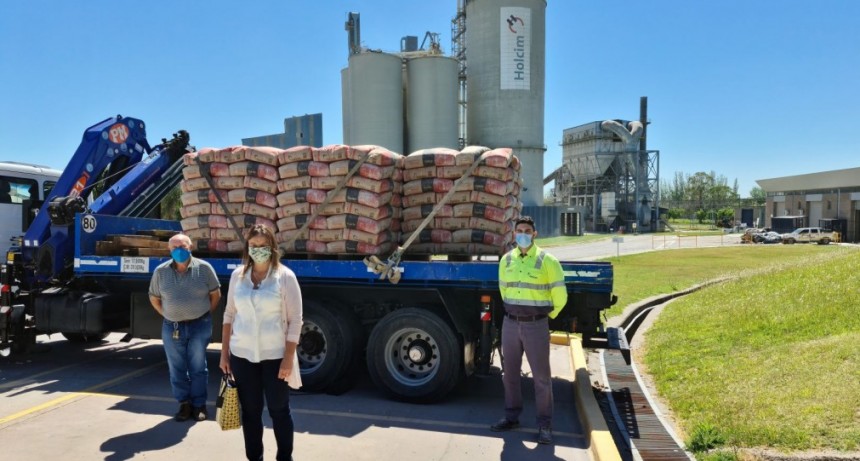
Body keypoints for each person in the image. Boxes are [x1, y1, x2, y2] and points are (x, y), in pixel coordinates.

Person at [220, 224, 303, 461]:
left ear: (272, 247)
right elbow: (229, 315)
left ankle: (284, 457)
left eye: (263, 245)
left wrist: (288, 358)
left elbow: (296, 321)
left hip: (275, 357)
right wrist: (224, 354)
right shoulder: (238, 276)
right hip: (242, 356)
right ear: (247, 247)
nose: (258, 249)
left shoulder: (285, 277)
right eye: (253, 245)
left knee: (279, 411)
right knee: (250, 412)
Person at [491, 216, 568, 445]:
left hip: (536, 325)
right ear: (513, 234)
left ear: (535, 234)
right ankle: (511, 417)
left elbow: (560, 296)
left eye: (527, 231)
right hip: (510, 324)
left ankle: (544, 425)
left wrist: (545, 317)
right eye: (519, 231)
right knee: (509, 375)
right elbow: (503, 290)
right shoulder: (506, 260)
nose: (523, 234)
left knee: (541, 378)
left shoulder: (548, 261)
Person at [149, 233, 221, 422]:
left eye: (182, 246)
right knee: (176, 368)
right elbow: (154, 298)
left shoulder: (204, 268)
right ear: (169, 250)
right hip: (171, 327)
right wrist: (167, 314)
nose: (179, 250)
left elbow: (216, 295)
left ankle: (199, 405)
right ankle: (184, 404)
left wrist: (205, 314)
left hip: (199, 326)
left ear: (191, 247)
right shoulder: (160, 272)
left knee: (198, 367)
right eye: (174, 247)